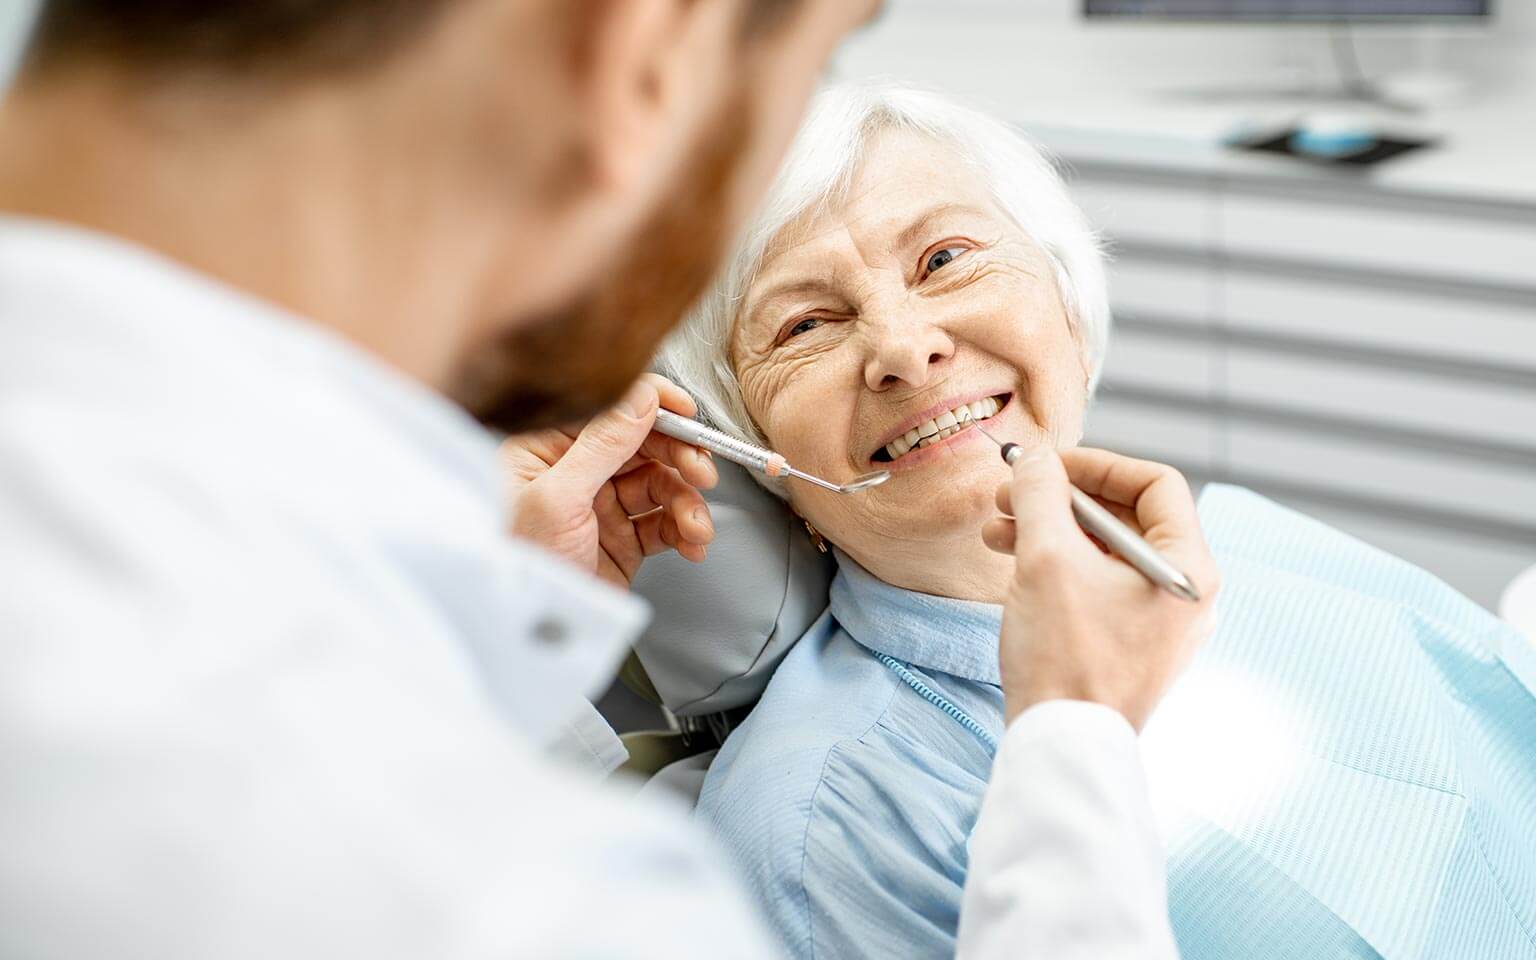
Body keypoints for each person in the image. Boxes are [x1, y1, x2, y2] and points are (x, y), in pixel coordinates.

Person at [0, 4, 1215, 959]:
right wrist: (1073, 741)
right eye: (819, 54)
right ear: (645, 52)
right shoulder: (556, 897)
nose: (902, 348)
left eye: (947, 256)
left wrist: (478, 633)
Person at [658, 80, 1536, 960]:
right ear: (754, 449)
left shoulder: (1254, 541)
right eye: (806, 323)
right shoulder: (821, 824)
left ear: (1068, 306)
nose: (902, 347)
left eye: (944, 259)